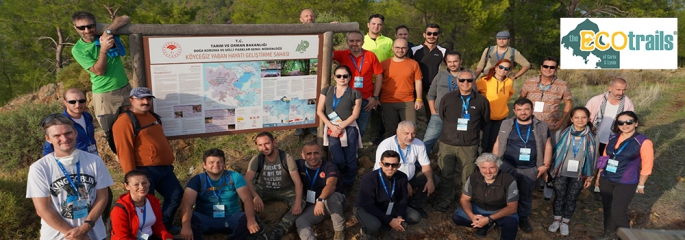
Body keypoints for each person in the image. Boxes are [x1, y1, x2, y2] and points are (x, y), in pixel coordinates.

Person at [27, 114, 114, 240]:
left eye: (68, 133)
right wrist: (77, 236)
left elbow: (102, 197)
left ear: (75, 133)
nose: (64, 138)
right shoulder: (39, 168)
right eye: (57, 136)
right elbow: (42, 209)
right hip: (59, 236)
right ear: (48, 139)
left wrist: (85, 228)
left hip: (94, 234)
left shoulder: (94, 161)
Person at [112, 87, 184, 231]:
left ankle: (163, 227)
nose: (145, 102)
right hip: (144, 170)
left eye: (148, 98)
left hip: (164, 169)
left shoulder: (152, 116)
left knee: (176, 195)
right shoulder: (125, 121)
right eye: (141, 99)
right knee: (145, 203)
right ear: (131, 100)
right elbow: (124, 150)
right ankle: (146, 230)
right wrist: (131, 177)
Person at [41, 88, 115, 224]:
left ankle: (100, 226)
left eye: (81, 100)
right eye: (72, 101)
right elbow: (48, 150)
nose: (77, 104)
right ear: (65, 102)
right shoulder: (62, 124)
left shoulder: (87, 117)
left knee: (104, 197)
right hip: (71, 168)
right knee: (78, 200)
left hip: (92, 163)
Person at [493, 98, 553, 233]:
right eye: (519, 110)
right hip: (507, 165)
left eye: (526, 109)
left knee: (526, 194)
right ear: (514, 111)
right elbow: (498, 143)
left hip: (530, 168)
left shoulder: (542, 126)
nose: (523, 112)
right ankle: (502, 216)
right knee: (504, 193)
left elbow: (548, 145)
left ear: (532, 110)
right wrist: (494, 162)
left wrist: (546, 165)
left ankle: (523, 217)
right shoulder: (506, 124)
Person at [434, 71, 490, 212]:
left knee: (468, 175)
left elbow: (484, 121)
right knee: (446, 173)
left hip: (469, 145)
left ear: (473, 82)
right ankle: (447, 198)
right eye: (462, 80)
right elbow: (442, 115)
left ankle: (466, 200)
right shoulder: (447, 98)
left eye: (469, 80)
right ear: (457, 81)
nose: (466, 83)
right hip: (448, 143)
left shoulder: (482, 101)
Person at [594, 111, 653, 240]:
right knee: (608, 208)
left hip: (626, 182)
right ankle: (608, 234)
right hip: (607, 179)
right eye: (621, 122)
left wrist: (641, 184)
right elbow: (604, 157)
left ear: (636, 123)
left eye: (629, 122)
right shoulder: (613, 138)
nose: (624, 125)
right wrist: (599, 175)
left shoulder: (643, 142)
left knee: (618, 212)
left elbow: (647, 166)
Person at [71, 11, 132, 136]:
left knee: (134, 128)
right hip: (105, 95)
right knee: (113, 135)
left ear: (95, 24)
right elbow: (99, 71)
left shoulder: (107, 35)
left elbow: (125, 17)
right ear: (75, 28)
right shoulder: (78, 49)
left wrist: (108, 31)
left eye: (90, 26)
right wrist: (103, 50)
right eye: (81, 28)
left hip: (126, 89)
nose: (87, 30)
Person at [179, 148, 261, 240]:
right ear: (204, 165)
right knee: (189, 219)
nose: (216, 165)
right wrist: (186, 227)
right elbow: (186, 203)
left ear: (224, 164)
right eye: (211, 162)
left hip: (230, 218)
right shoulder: (197, 180)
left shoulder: (235, 177)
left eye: (219, 162)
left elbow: (247, 199)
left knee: (251, 218)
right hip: (206, 220)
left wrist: (250, 220)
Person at [547, 107, 598, 236]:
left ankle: (565, 223)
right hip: (561, 172)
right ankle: (556, 220)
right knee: (559, 197)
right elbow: (552, 153)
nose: (580, 120)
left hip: (579, 175)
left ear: (588, 119)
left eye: (583, 117)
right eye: (577, 117)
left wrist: (590, 177)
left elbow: (594, 159)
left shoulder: (593, 138)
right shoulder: (560, 134)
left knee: (571, 198)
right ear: (571, 119)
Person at [244, 132, 304, 240]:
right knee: (243, 196)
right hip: (264, 188)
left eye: (267, 144)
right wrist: (255, 196)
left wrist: (297, 203)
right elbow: (247, 180)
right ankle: (252, 226)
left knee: (301, 202)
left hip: (286, 189)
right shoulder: (257, 159)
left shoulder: (286, 157)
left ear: (274, 142)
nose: (264, 148)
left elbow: (298, 183)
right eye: (260, 145)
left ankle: (279, 230)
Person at [374, 121, 437, 217]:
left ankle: (415, 204)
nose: (410, 137)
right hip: (389, 177)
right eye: (406, 133)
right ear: (397, 132)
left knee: (432, 178)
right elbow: (383, 170)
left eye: (413, 133)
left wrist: (430, 180)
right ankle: (392, 210)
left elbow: (425, 165)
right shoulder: (386, 145)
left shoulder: (418, 144)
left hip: (410, 176)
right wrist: (404, 182)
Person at [354, 150, 422, 239]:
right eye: (387, 164)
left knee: (415, 217)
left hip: (388, 205)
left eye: (394, 165)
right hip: (365, 207)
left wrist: (399, 216)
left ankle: (385, 224)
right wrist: (389, 220)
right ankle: (367, 231)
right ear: (381, 164)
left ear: (399, 165)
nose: (390, 168)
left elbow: (403, 198)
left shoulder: (402, 177)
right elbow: (368, 205)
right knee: (373, 225)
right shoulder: (369, 179)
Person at [451, 153, 519, 240]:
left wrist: (489, 219)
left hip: (500, 209)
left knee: (511, 224)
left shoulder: (509, 180)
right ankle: (484, 226)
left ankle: (491, 223)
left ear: (498, 167)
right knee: (457, 217)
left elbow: (512, 208)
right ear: (479, 168)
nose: (488, 171)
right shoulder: (473, 177)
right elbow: (464, 199)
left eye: (492, 167)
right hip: (479, 208)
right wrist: (472, 216)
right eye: (484, 168)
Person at [317, 65, 362, 193]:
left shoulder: (355, 93)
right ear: (334, 77)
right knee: (337, 158)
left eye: (345, 76)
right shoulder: (327, 90)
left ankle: (348, 183)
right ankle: (335, 181)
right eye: (339, 76)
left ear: (349, 77)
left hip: (349, 129)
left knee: (351, 158)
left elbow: (355, 114)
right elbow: (320, 110)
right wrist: (332, 127)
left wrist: (340, 127)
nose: (342, 78)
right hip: (332, 129)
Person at [332, 30, 383, 137]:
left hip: (366, 100)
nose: (354, 43)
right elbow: (326, 51)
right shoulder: (342, 55)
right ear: (347, 42)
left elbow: (378, 76)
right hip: (346, 98)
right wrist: (333, 31)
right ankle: (346, 148)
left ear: (363, 42)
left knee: (361, 128)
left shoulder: (370, 55)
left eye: (358, 41)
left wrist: (375, 97)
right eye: (351, 41)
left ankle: (356, 150)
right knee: (344, 126)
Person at [295, 142, 346, 240]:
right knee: (301, 221)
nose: (313, 157)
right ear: (302, 155)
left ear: (321, 153)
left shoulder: (329, 166)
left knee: (332, 197)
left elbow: (331, 185)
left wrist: (320, 199)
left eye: (316, 153)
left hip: (334, 202)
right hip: (315, 206)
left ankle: (340, 231)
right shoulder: (298, 165)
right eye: (309, 154)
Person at [424, 51, 467, 155]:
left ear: (460, 61)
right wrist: (433, 112)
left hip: (460, 116)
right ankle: (419, 164)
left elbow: (474, 96)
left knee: (460, 141)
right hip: (438, 115)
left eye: (455, 61)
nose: (452, 64)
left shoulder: (468, 76)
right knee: (428, 140)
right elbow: (431, 95)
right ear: (446, 63)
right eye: (449, 62)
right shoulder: (440, 76)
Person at [110, 170, 173, 240]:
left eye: (144, 183)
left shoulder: (153, 201)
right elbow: (122, 237)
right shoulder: (120, 210)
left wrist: (166, 237)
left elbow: (158, 225)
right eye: (136, 184)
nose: (142, 187)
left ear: (149, 182)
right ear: (127, 186)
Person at [379, 39, 423, 136]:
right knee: (391, 130)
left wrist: (419, 99)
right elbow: (379, 82)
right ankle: (392, 150)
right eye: (397, 48)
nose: (400, 50)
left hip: (408, 101)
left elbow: (418, 81)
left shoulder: (413, 64)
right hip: (388, 101)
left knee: (410, 129)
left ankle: (410, 150)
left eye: (403, 48)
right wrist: (376, 97)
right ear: (392, 49)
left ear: (407, 49)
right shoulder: (384, 63)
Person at [519, 56, 572, 133]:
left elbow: (569, 103)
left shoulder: (563, 85)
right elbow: (520, 100)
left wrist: (562, 121)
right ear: (541, 67)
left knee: (549, 145)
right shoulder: (529, 82)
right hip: (528, 124)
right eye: (545, 66)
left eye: (552, 67)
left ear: (556, 69)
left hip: (550, 126)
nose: (548, 69)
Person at [585, 78, 635, 155]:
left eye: (623, 90)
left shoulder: (628, 104)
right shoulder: (595, 100)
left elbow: (630, 124)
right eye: (618, 89)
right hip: (593, 138)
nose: (621, 93)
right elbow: (584, 118)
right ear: (610, 88)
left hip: (614, 140)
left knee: (607, 164)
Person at [477, 59, 515, 153]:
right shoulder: (484, 81)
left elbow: (508, 96)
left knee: (494, 143)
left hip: (500, 118)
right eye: (501, 67)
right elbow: (474, 93)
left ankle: (491, 164)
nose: (503, 70)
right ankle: (479, 165)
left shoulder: (509, 82)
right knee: (483, 143)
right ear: (496, 67)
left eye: (506, 69)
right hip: (486, 117)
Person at [410, 24, 447, 120]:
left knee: (432, 116)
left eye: (435, 34)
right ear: (424, 35)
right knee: (410, 116)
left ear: (438, 35)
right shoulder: (414, 50)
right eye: (429, 33)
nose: (432, 36)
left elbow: (452, 67)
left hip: (433, 89)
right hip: (414, 88)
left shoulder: (443, 51)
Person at [294, 8, 318, 137]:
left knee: (312, 98)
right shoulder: (295, 33)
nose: (309, 18)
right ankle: (299, 126)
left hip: (314, 71)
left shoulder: (320, 32)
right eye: (306, 16)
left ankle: (312, 125)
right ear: (301, 19)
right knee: (297, 97)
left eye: (311, 15)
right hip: (299, 71)